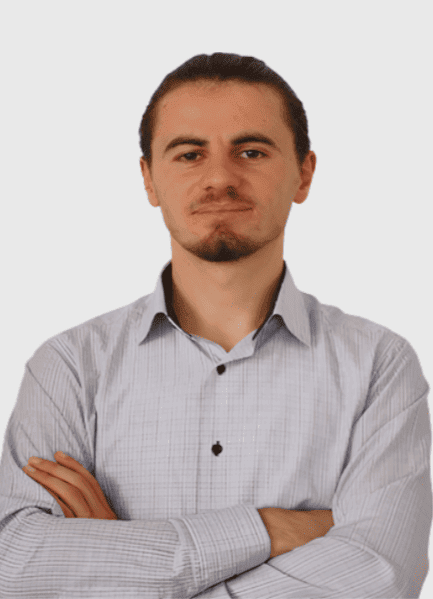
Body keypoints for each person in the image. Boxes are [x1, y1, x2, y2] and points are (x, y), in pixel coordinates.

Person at [0, 52, 431, 598]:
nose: (220, 178)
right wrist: (268, 529)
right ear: (149, 179)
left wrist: (123, 562)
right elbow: (14, 565)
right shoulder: (68, 367)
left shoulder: (378, 365)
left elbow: (380, 577)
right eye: (189, 154)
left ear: (303, 174)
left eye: (251, 152)